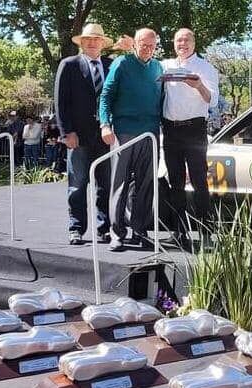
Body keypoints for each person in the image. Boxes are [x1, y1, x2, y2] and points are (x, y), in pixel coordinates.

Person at [100, 28, 163, 251]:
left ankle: (139, 231)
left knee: (146, 185)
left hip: (151, 134)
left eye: (152, 45)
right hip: (124, 131)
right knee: (120, 184)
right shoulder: (122, 63)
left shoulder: (158, 67)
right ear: (134, 44)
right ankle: (116, 233)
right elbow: (106, 96)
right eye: (143, 44)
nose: (147, 49)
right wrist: (105, 124)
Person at [55, 23, 114, 245]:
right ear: (81, 42)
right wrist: (66, 132)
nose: (91, 42)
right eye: (87, 39)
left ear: (102, 43)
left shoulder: (111, 65)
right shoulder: (69, 65)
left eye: (96, 39)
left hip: (104, 136)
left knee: (105, 185)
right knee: (77, 185)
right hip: (77, 137)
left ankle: (104, 228)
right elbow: (60, 102)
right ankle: (76, 229)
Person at [161, 28, 219, 243]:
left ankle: (206, 233)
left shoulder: (205, 67)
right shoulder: (165, 65)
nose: (182, 44)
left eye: (186, 40)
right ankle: (179, 231)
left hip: (195, 130)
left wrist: (199, 85)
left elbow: (212, 101)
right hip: (170, 130)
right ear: (173, 44)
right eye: (178, 40)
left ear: (194, 43)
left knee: (199, 182)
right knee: (174, 182)